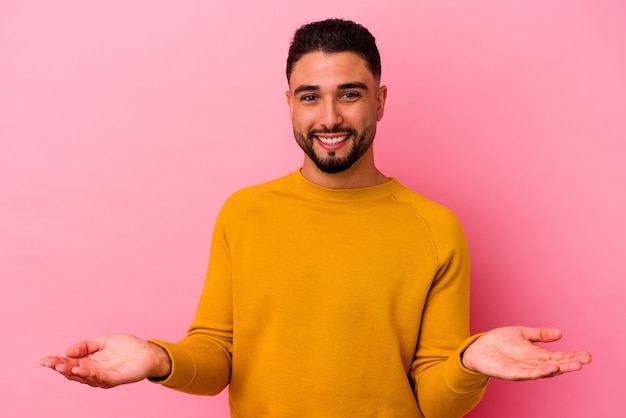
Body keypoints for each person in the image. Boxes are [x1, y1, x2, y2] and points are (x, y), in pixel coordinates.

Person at [40, 19, 591, 417]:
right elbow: (217, 357)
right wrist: (157, 358)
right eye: (311, 96)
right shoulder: (246, 212)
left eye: (349, 94)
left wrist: (468, 361)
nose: (329, 117)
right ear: (290, 104)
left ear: (379, 100)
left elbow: (432, 400)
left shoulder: (435, 227)